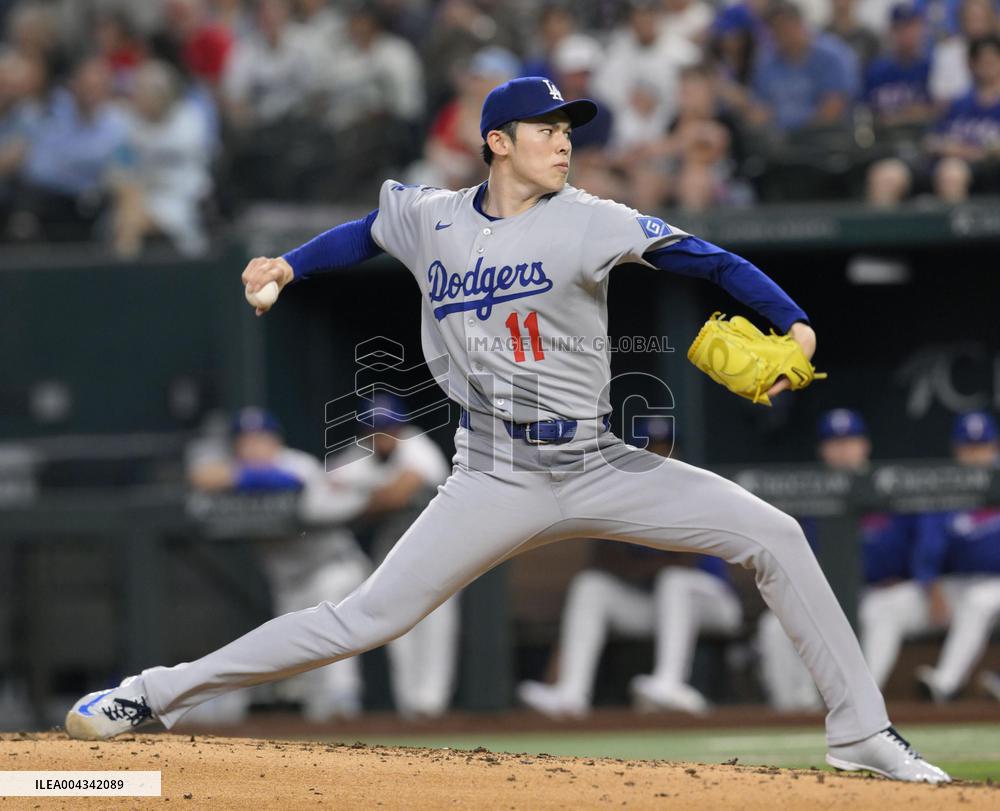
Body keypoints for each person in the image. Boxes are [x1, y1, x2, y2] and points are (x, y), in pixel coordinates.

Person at [66, 74, 948, 783]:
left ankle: (862, 732)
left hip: (601, 458)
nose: (564, 139)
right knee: (363, 617)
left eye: (570, 127)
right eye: (545, 127)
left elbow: (704, 257)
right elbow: (365, 230)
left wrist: (792, 320)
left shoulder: (592, 218)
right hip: (493, 471)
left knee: (777, 534)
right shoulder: (432, 218)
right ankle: (150, 693)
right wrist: (287, 268)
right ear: (498, 142)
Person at [517, 417, 742, 719]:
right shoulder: (625, 496)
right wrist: (646, 564)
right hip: (658, 604)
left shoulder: (696, 489)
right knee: (592, 587)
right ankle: (570, 694)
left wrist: (639, 564)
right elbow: (603, 559)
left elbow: (685, 559)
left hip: (714, 603)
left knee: (674, 580)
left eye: (667, 449)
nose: (661, 458)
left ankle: (670, 684)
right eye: (652, 450)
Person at [187, 407, 371, 722]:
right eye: (245, 440)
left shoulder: (298, 463)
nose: (253, 446)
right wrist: (242, 477)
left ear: (275, 441)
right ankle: (325, 732)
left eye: (261, 439)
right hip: (288, 582)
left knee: (330, 638)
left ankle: (344, 703)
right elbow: (200, 481)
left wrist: (247, 479)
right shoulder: (230, 470)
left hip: (332, 567)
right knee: (301, 660)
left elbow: (297, 486)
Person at [325, 393, 457, 719]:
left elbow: (400, 492)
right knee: (398, 626)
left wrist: (362, 499)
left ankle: (432, 706)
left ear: (401, 428)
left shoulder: (418, 447)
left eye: (388, 428)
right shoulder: (360, 454)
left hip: (437, 549)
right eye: (375, 429)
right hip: (394, 548)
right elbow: (326, 484)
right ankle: (410, 710)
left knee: (436, 624)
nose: (382, 436)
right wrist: (373, 496)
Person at [914, 411, 1000, 702]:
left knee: (978, 599)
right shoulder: (947, 487)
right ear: (957, 449)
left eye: (982, 447)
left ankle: (946, 683)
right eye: (969, 447)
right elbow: (928, 546)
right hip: (961, 582)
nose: (976, 455)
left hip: (994, 582)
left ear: (995, 447)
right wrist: (930, 583)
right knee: (884, 608)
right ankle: (864, 700)